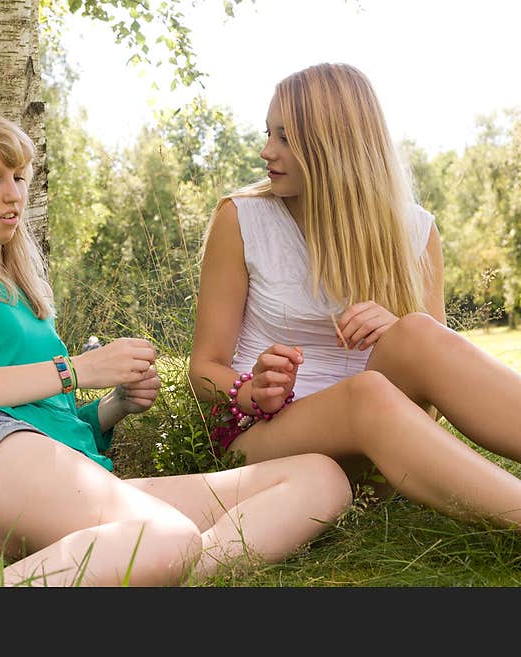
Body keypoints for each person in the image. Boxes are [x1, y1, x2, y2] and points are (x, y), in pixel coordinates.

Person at [0, 106, 352, 587]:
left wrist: (112, 408)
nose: (14, 196)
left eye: (20, 178)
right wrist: (77, 370)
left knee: (320, 478)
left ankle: (172, 571)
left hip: (68, 467)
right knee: (169, 535)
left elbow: (51, 416)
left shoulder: (19, 285)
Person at [190, 62, 521, 531]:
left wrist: (395, 329)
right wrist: (248, 390)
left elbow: (444, 377)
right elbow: (202, 370)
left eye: (285, 137)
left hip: (389, 443)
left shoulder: (416, 228)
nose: (266, 151)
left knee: (419, 333)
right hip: (270, 439)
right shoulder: (241, 218)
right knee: (367, 393)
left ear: (333, 144)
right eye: (269, 133)